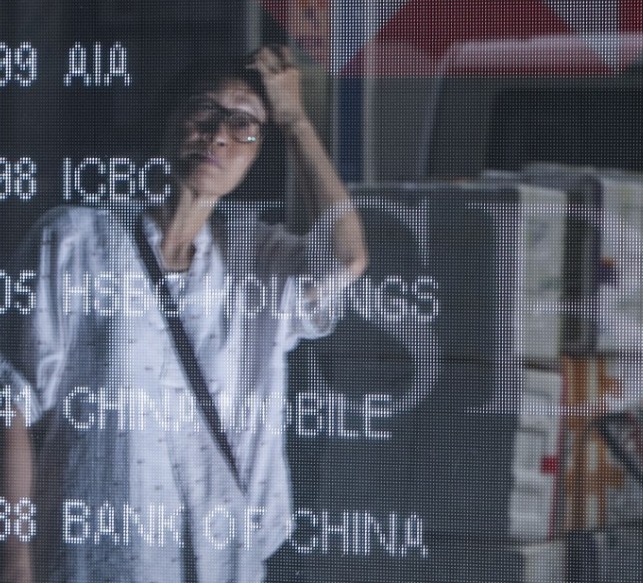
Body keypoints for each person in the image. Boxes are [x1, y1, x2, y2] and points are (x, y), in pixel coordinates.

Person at [0, 45, 367, 583]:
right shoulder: (76, 241)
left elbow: (346, 258)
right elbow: (9, 403)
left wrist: (293, 118)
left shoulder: (250, 263)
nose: (220, 135)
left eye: (244, 125)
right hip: (93, 557)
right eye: (205, 111)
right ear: (169, 122)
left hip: (218, 559)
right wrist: (14, 554)